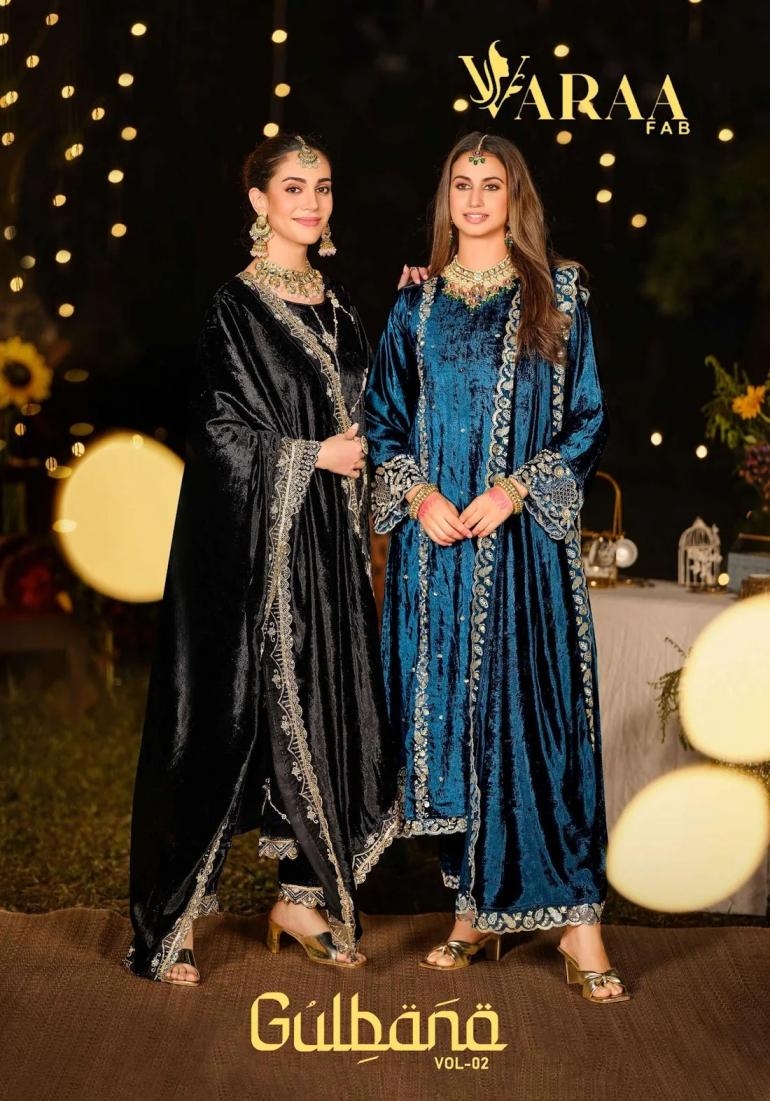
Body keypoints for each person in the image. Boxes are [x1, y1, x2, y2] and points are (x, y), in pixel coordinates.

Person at [123, 133, 401, 984]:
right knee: (222, 719)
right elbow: (217, 433)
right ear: (259, 201)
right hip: (251, 556)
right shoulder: (235, 308)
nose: (312, 202)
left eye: (323, 187)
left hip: (328, 550)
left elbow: (373, 403)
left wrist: (416, 307)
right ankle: (173, 917)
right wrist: (312, 456)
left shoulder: (341, 305)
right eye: (294, 188)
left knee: (318, 708)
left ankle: (300, 897)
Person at [365, 132, 630, 1003]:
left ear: (517, 197)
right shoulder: (416, 305)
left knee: (537, 725)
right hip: (439, 553)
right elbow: (385, 418)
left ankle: (579, 922)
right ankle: (475, 910)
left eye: (492, 184)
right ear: (446, 198)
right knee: (458, 726)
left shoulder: (558, 294)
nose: (476, 198)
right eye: (462, 184)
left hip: (524, 554)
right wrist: (418, 498)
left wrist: (517, 491)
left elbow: (586, 419)